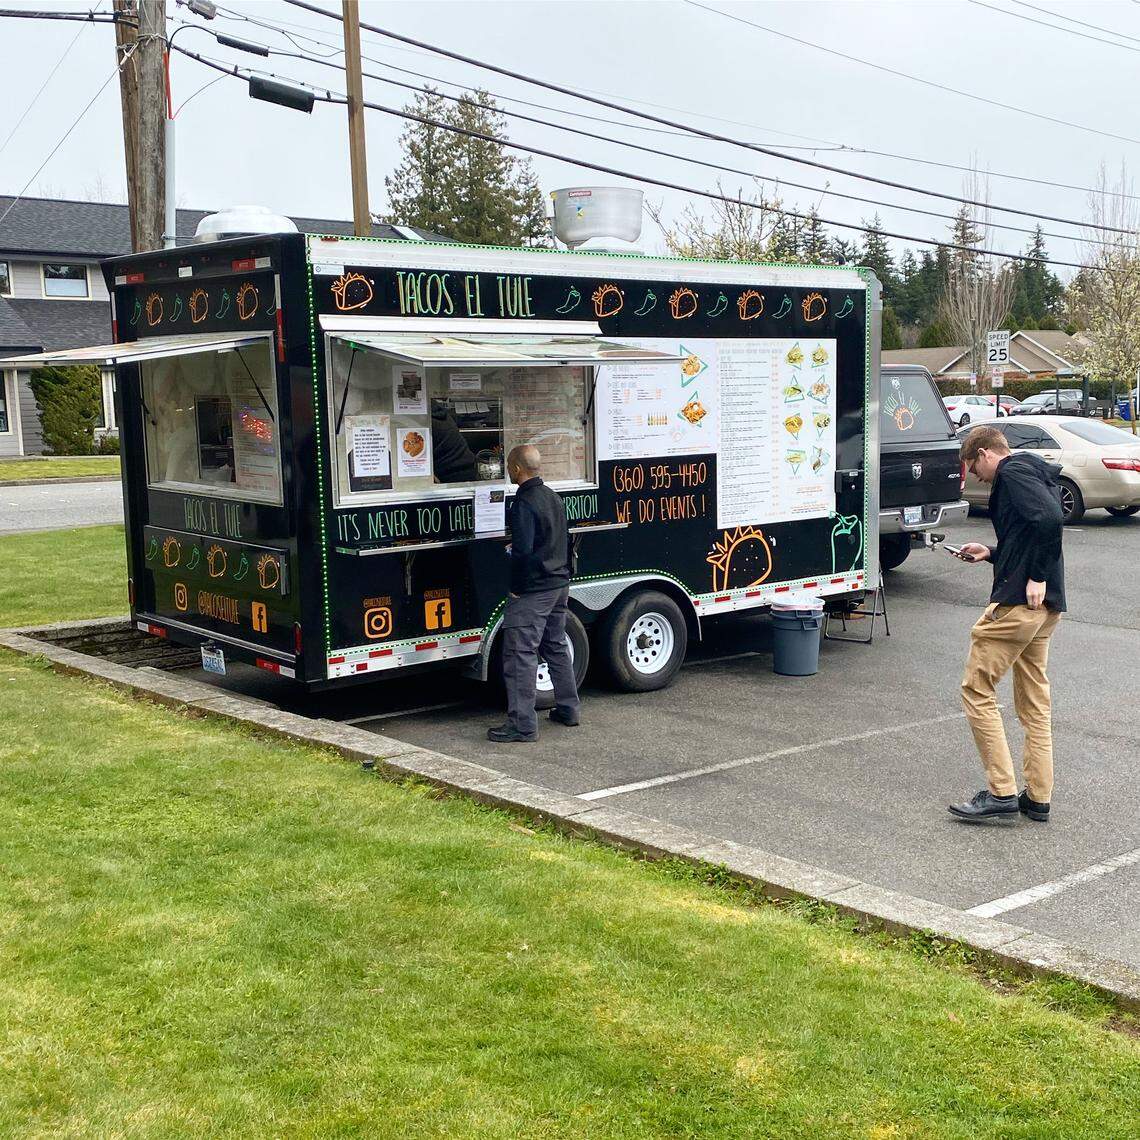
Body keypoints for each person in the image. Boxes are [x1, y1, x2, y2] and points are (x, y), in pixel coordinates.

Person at [949, 424, 1065, 823]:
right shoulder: (1034, 471)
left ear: (984, 453)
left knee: (976, 689)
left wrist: (1035, 575)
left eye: (971, 466)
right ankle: (1038, 797)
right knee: (1034, 703)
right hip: (1046, 609)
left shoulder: (1011, 474)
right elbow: (1031, 531)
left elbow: (1050, 519)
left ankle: (1000, 792)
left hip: (1018, 603)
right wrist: (992, 552)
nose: (974, 477)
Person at [487, 444, 581, 743]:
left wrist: (516, 589)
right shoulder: (553, 496)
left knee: (520, 653)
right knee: (555, 645)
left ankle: (522, 725)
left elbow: (522, 553)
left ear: (516, 469)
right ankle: (568, 708)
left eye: (509, 468)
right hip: (559, 584)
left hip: (534, 590)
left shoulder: (523, 503)